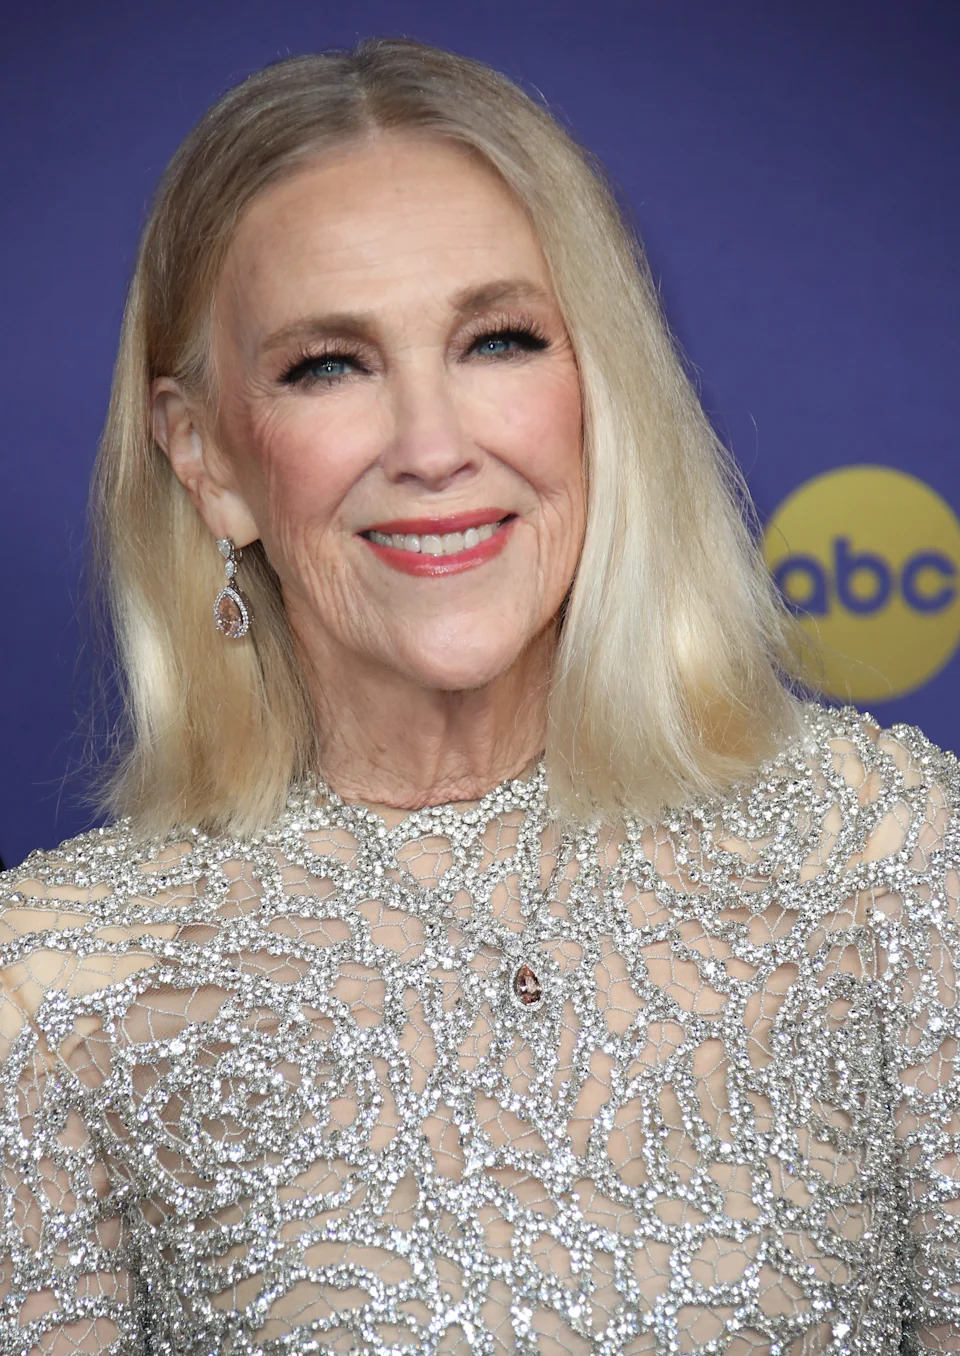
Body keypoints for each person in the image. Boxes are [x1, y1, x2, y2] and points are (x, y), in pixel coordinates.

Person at [0, 38, 957, 1355]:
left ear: (599, 390)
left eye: (498, 341)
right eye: (329, 365)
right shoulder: (56, 992)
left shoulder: (889, 854)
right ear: (207, 457)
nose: (434, 446)